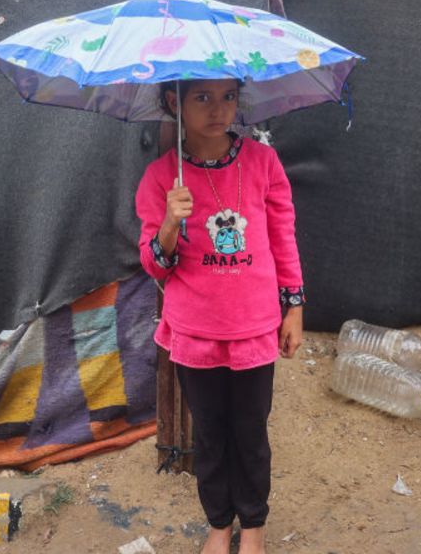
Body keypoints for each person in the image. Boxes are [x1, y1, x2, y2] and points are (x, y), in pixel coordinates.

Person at [135, 78, 305, 554]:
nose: (218, 110)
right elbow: (156, 267)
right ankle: (218, 523)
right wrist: (170, 222)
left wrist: (293, 306)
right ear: (175, 102)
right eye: (202, 98)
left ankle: (253, 525)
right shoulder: (160, 179)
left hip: (253, 326)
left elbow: (282, 237)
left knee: (250, 431)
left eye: (228, 96)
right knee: (210, 434)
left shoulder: (262, 163)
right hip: (195, 331)